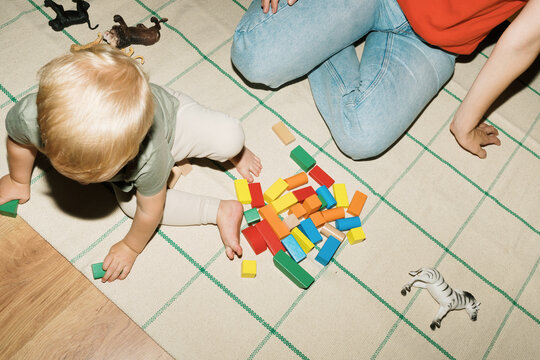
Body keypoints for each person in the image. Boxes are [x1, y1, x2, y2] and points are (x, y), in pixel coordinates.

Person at [0, 44, 262, 282]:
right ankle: (218, 211)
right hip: (131, 147)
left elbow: (151, 212)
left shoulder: (148, 156)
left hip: (172, 122)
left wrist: (131, 246)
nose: (81, 182)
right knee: (130, 207)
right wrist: (18, 180)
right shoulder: (30, 116)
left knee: (230, 138)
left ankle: (236, 152)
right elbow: (18, 143)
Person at [231, 0, 538, 160]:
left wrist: (465, 124)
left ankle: (324, 38)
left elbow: (523, 41)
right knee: (253, 57)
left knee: (362, 135)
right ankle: (325, 34)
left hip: (436, 44)